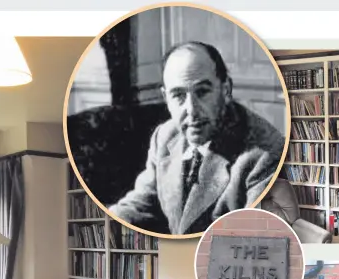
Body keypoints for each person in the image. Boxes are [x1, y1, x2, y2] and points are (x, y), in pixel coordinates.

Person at [109, 41, 285, 235]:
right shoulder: (165, 136)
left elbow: (252, 241)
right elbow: (141, 203)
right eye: (178, 95)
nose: (191, 110)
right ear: (166, 97)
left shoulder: (264, 154)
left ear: (226, 90)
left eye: (202, 92)